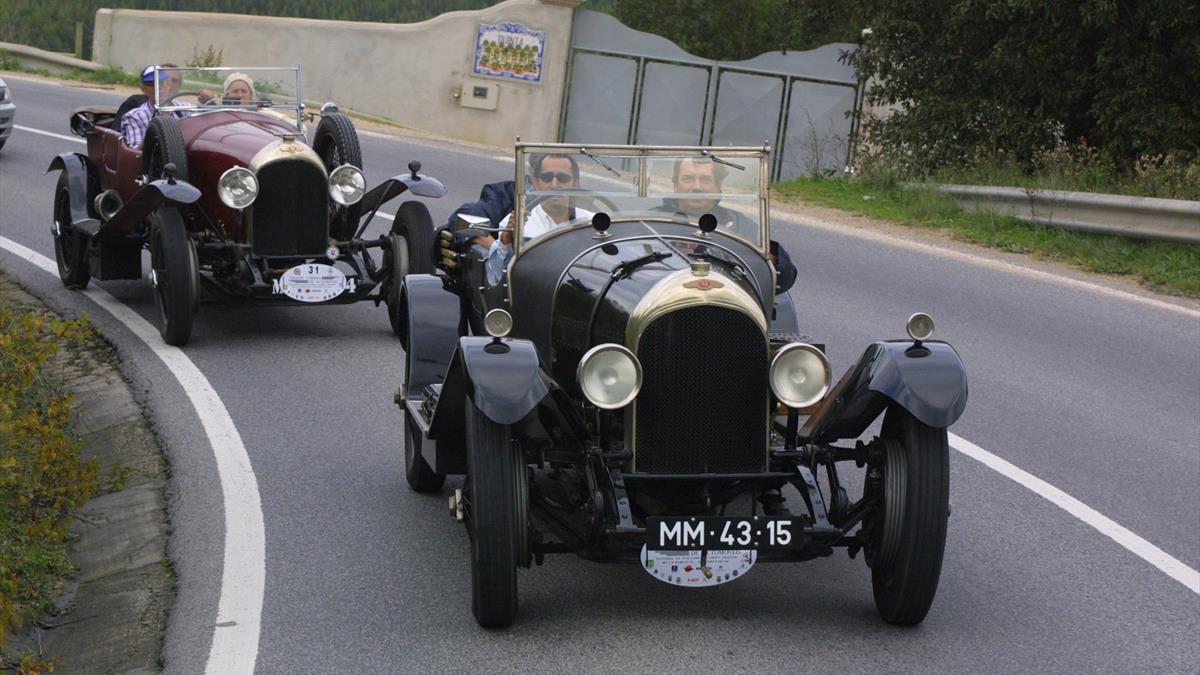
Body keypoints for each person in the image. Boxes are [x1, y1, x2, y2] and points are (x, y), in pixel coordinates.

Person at [658, 157, 797, 294]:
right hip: (663, 298)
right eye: (688, 179)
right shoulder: (653, 221)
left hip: (725, 302)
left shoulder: (740, 225)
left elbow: (783, 278)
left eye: (705, 180)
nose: (697, 187)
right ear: (675, 185)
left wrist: (766, 257)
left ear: (718, 186)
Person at [474, 154, 594, 285]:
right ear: (536, 183)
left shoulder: (592, 222)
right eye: (547, 178)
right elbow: (496, 275)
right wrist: (507, 238)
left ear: (575, 183)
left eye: (563, 178)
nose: (554, 185)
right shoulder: (518, 223)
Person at [120, 65, 181, 148]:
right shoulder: (135, 117)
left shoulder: (186, 108)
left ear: (167, 84)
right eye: (152, 84)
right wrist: (162, 123)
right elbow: (136, 154)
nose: (158, 87)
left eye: (161, 82)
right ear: (143, 89)